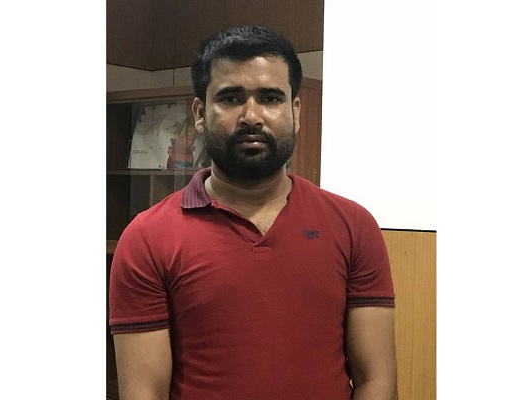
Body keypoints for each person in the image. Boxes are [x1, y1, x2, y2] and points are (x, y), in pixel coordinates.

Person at [109, 25, 397, 400]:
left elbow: (376, 381)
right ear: (200, 113)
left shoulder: (353, 226)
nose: (251, 116)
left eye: (270, 98)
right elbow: (144, 392)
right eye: (230, 98)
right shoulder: (147, 239)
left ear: (295, 111)